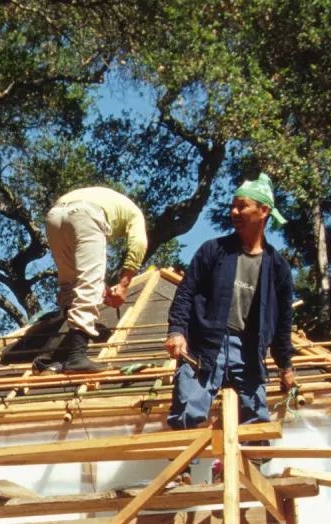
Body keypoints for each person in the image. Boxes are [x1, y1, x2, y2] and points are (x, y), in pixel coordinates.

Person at [165, 173, 295, 431]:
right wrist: (177, 331)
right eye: (232, 206)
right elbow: (186, 292)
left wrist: (285, 366)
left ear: (263, 211)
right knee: (187, 410)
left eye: (242, 206)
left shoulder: (277, 266)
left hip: (248, 349)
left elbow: (282, 322)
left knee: (256, 422)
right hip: (206, 344)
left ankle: (252, 469)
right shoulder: (214, 250)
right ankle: (183, 471)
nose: (234, 212)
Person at [34, 186, 148, 373]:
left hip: (54, 215)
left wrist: (100, 283)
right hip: (87, 214)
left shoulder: (112, 204)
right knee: (89, 285)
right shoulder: (135, 215)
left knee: (70, 284)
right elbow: (139, 243)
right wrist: (123, 285)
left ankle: (59, 356)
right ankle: (77, 357)